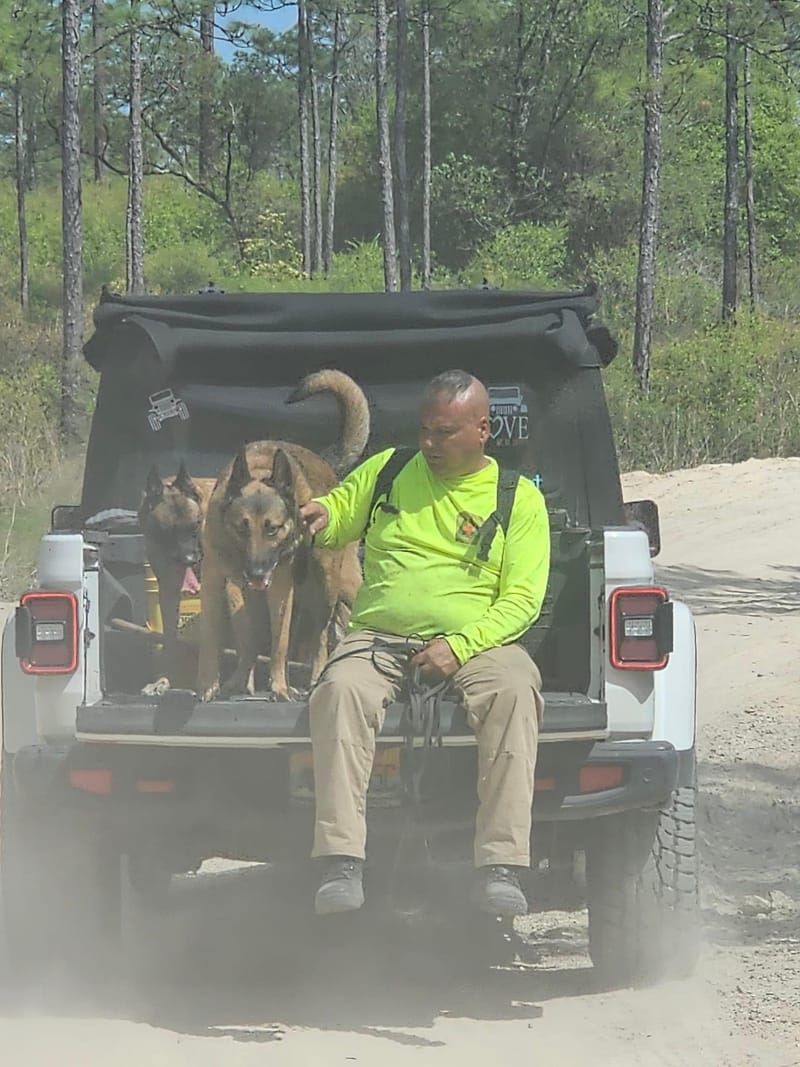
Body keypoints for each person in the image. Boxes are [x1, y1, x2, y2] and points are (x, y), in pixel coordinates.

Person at [299, 369, 550, 918]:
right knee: (339, 690)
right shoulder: (389, 469)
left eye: (445, 432)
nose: (429, 443)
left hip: (480, 643)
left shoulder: (518, 499)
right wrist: (323, 515)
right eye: (425, 430)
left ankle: (501, 866)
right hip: (378, 637)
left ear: (483, 430)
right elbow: (342, 511)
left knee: (514, 690)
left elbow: (522, 601)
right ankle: (341, 860)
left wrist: (459, 647)